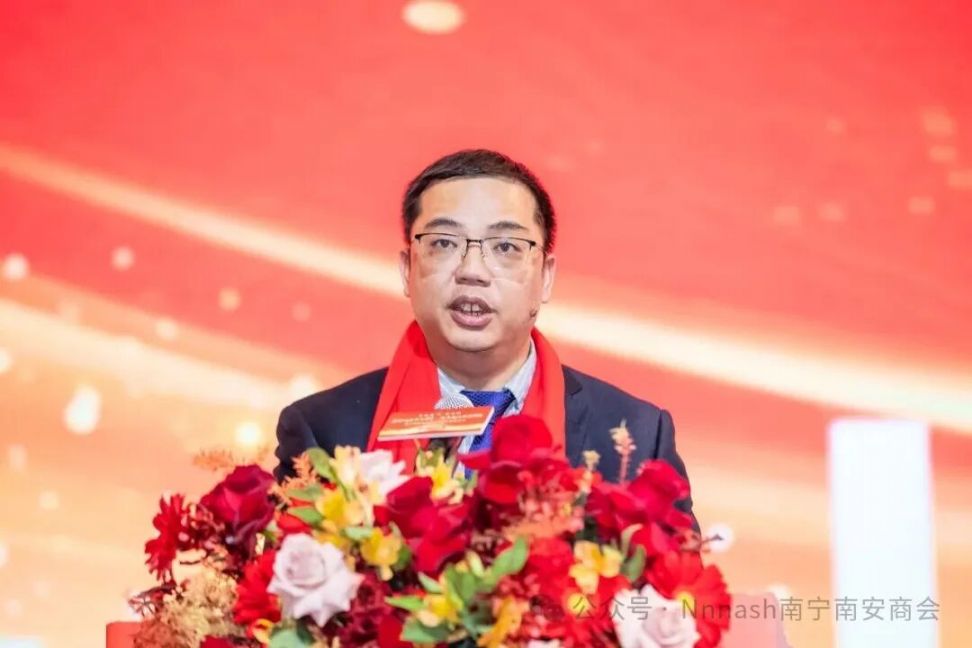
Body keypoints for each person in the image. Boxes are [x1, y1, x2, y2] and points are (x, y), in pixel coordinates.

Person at [273, 148, 697, 529]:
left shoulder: (637, 436)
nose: (472, 270)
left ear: (546, 277)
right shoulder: (323, 431)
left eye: (506, 247)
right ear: (407, 270)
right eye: (443, 242)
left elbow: (678, 587)